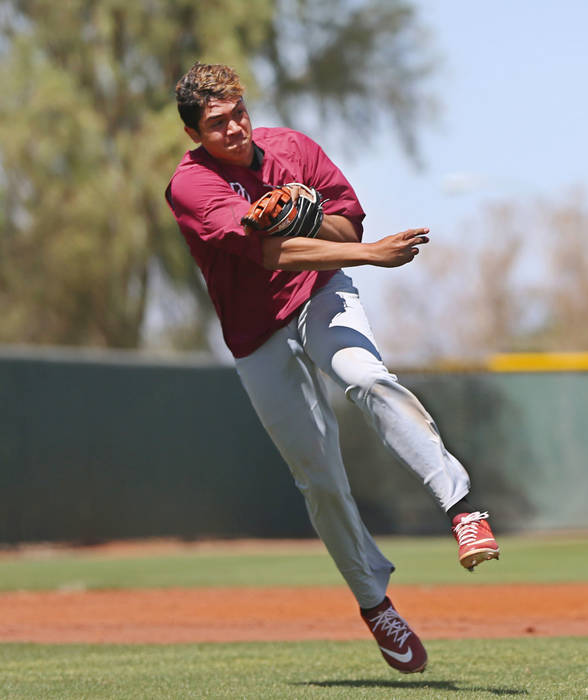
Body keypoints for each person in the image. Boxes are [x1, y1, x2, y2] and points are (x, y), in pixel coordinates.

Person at [165, 62, 500, 674]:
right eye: (218, 123)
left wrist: (316, 219)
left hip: (321, 292)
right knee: (317, 476)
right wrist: (369, 255)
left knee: (366, 376)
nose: (236, 127)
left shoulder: (293, 148)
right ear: (195, 135)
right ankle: (376, 605)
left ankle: (463, 509)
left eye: (239, 111)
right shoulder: (191, 186)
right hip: (255, 332)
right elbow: (269, 250)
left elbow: (344, 221)